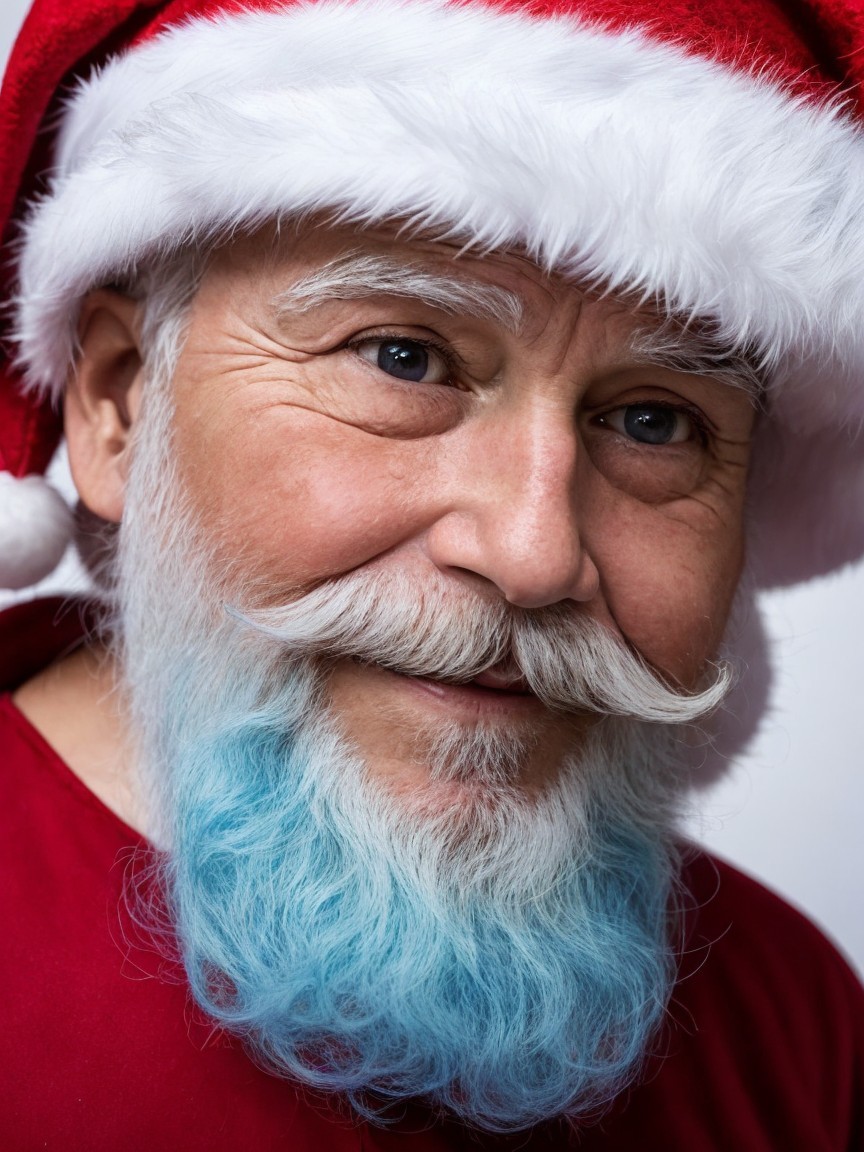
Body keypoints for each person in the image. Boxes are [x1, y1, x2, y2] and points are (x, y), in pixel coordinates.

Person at [0, 0, 862, 1148]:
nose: (534, 553)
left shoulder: (795, 1019)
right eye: (405, 359)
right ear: (118, 402)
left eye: (655, 421)